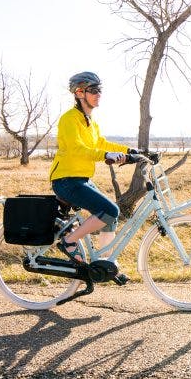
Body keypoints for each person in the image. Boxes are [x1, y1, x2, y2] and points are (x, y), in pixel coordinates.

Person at [49, 71, 135, 277]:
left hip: (81, 180)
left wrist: (130, 151)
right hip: (66, 180)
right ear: (79, 93)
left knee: (110, 217)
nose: (99, 95)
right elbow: (78, 149)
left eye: (100, 90)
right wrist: (106, 155)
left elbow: (101, 143)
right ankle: (68, 241)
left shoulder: (90, 120)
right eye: (93, 90)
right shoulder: (69, 119)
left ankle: (104, 265)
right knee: (110, 210)